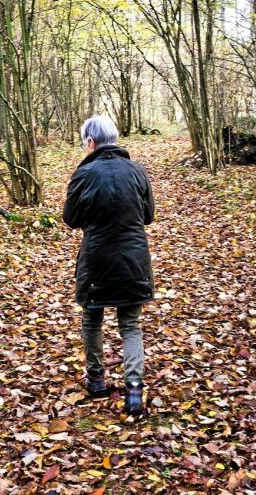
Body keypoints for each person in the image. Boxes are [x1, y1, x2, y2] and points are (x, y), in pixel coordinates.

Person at [63, 115, 155, 416]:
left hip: (96, 259)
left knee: (92, 319)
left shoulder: (83, 174)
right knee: (130, 325)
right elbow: (148, 216)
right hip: (134, 258)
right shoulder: (137, 171)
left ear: (91, 142)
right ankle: (134, 392)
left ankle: (96, 382)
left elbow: (71, 219)